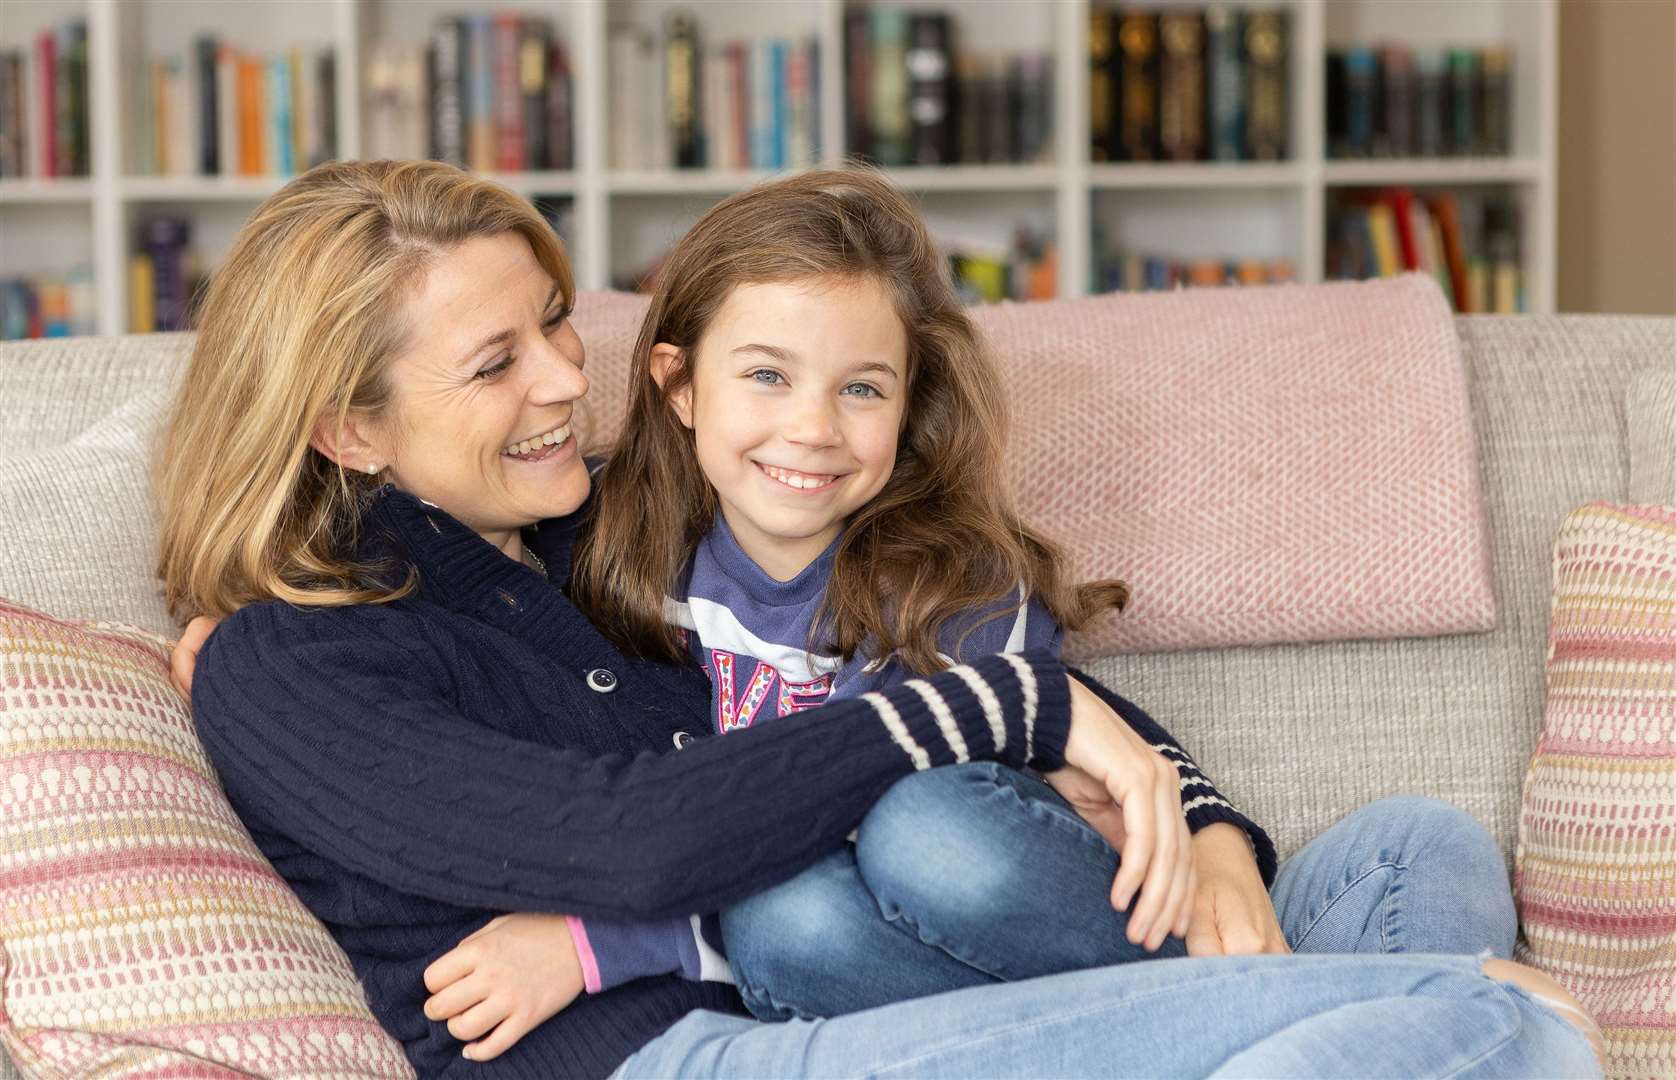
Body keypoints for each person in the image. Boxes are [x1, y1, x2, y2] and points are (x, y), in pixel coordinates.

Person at [160, 159, 1602, 1078]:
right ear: (350, 430)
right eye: (497, 362)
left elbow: (1055, 704)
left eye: (552, 320)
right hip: (681, 1063)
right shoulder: (296, 656)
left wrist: (1209, 816)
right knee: (1484, 1015)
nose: (558, 376)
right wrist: (991, 712)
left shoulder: (572, 536)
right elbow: (641, 836)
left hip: (820, 995)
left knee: (1418, 849)